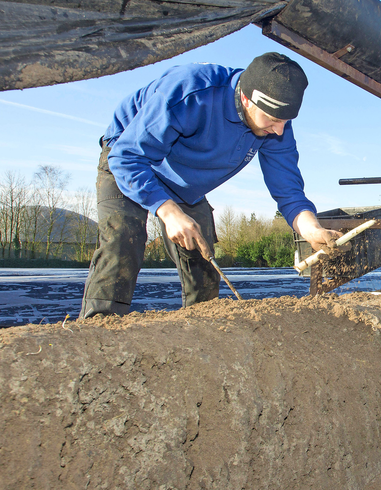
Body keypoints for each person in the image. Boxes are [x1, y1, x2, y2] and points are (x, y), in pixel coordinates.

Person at [79, 52, 340, 318]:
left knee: (202, 259)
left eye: (285, 121)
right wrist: (168, 212)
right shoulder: (190, 91)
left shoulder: (276, 119)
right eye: (272, 120)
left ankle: (202, 338)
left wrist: (311, 228)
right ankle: (98, 331)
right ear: (246, 99)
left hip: (184, 182)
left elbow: (287, 186)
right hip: (132, 161)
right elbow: (127, 157)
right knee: (123, 240)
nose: (279, 130)